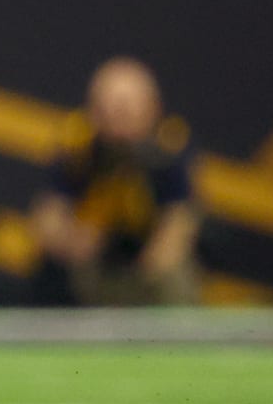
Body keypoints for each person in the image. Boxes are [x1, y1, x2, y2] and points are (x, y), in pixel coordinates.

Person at [32, 57, 200, 306]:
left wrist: (155, 259)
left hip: (148, 263)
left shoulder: (168, 149)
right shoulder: (78, 148)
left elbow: (181, 218)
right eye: (107, 109)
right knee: (51, 273)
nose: (116, 120)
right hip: (94, 263)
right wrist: (68, 239)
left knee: (176, 276)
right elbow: (50, 213)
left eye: (126, 111)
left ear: (152, 109)